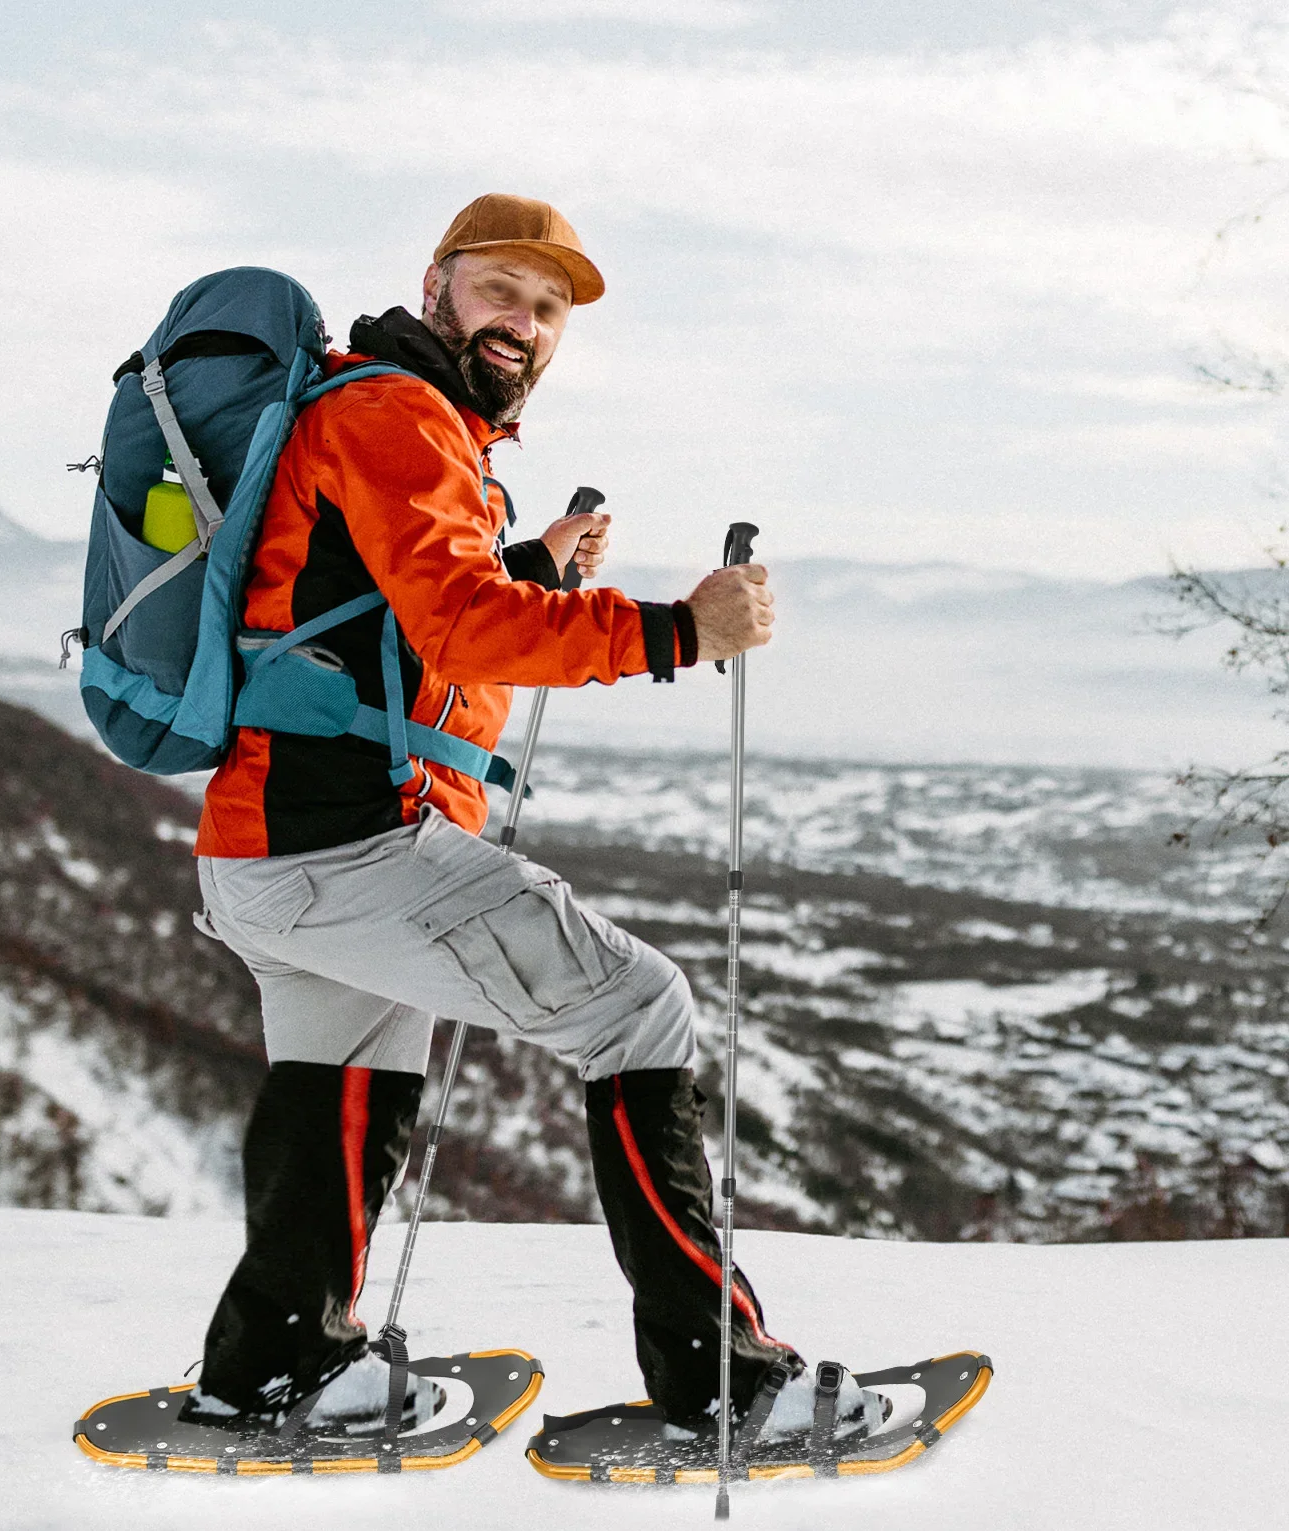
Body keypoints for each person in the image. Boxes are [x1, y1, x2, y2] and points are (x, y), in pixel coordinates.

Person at [183, 193, 878, 1443]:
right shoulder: (399, 414)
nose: (528, 321)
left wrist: (537, 573)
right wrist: (677, 632)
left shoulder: (388, 417)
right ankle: (729, 1382)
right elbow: (459, 625)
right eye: (503, 289)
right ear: (439, 282)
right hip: (349, 847)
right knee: (638, 1006)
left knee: (341, 1087)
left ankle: (270, 1363)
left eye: (550, 307)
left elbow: (410, 640)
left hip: (269, 854)